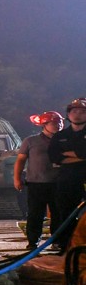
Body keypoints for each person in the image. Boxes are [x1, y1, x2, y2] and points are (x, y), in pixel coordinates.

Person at [16, 111, 63, 249]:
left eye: (60, 122)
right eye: (54, 122)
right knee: (35, 214)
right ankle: (33, 242)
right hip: (36, 183)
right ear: (44, 124)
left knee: (58, 214)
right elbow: (20, 161)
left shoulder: (64, 140)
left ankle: (57, 242)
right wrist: (17, 179)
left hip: (58, 183)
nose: (59, 125)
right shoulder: (31, 141)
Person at [49, 98, 86, 252]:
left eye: (82, 112)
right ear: (68, 115)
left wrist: (67, 155)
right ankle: (66, 247)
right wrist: (81, 155)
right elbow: (55, 157)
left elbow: (63, 157)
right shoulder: (59, 136)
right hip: (67, 181)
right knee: (65, 214)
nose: (77, 115)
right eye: (74, 111)